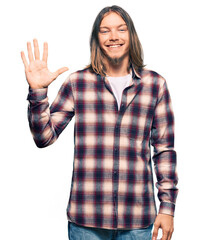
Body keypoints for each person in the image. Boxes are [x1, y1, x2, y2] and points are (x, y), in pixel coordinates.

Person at [21, 5, 178, 240]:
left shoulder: (155, 85)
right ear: (96, 39)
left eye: (121, 29)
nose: (113, 36)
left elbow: (164, 149)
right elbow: (43, 137)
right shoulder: (78, 83)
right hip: (86, 221)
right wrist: (37, 92)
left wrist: (167, 207)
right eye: (105, 31)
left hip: (137, 220)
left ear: (131, 35)